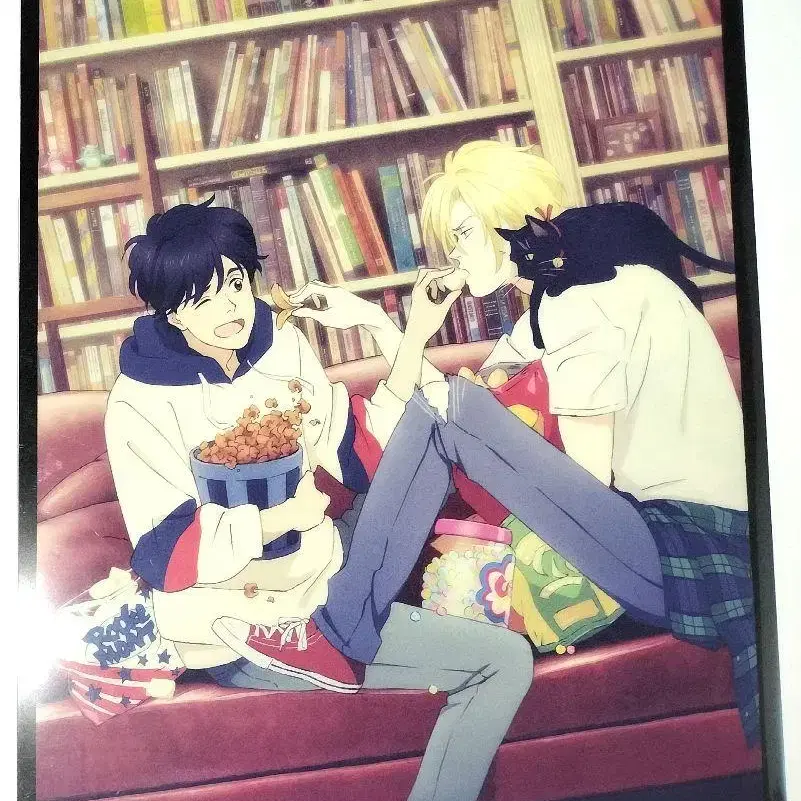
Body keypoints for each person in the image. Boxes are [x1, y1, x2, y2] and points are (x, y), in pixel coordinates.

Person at [302, 139, 758, 748]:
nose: (456, 256)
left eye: (465, 234)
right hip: (652, 538)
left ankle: (340, 625)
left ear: (518, 219)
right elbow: (459, 420)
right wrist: (381, 324)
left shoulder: (587, 297)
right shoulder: (554, 303)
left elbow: (581, 473)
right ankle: (346, 618)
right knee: (449, 409)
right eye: (451, 242)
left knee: (452, 409)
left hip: (685, 546)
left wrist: (487, 445)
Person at [107, 198, 540, 801]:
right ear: (171, 312)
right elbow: (163, 551)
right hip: (239, 627)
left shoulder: (280, 346)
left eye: (235, 285)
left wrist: (408, 331)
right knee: (502, 662)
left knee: (436, 432)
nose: (230, 308)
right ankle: (343, 623)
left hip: (323, 597)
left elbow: (354, 455)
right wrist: (281, 517)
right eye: (203, 299)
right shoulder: (138, 402)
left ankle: (345, 620)